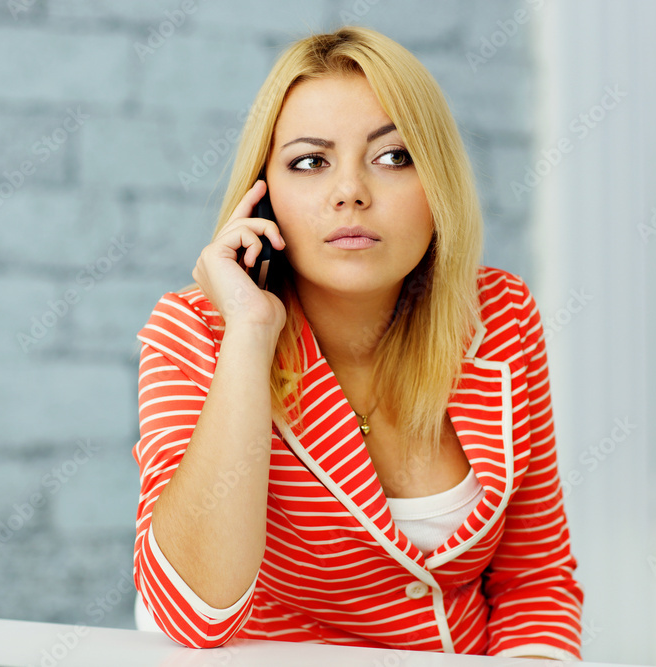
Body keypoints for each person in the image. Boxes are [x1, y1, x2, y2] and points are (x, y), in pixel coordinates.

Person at [131, 25, 583, 660]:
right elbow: (193, 618)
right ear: (264, 195)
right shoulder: (196, 333)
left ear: (438, 184)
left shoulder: (499, 315)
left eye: (393, 157)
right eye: (310, 162)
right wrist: (250, 335)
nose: (350, 192)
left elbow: (534, 582)